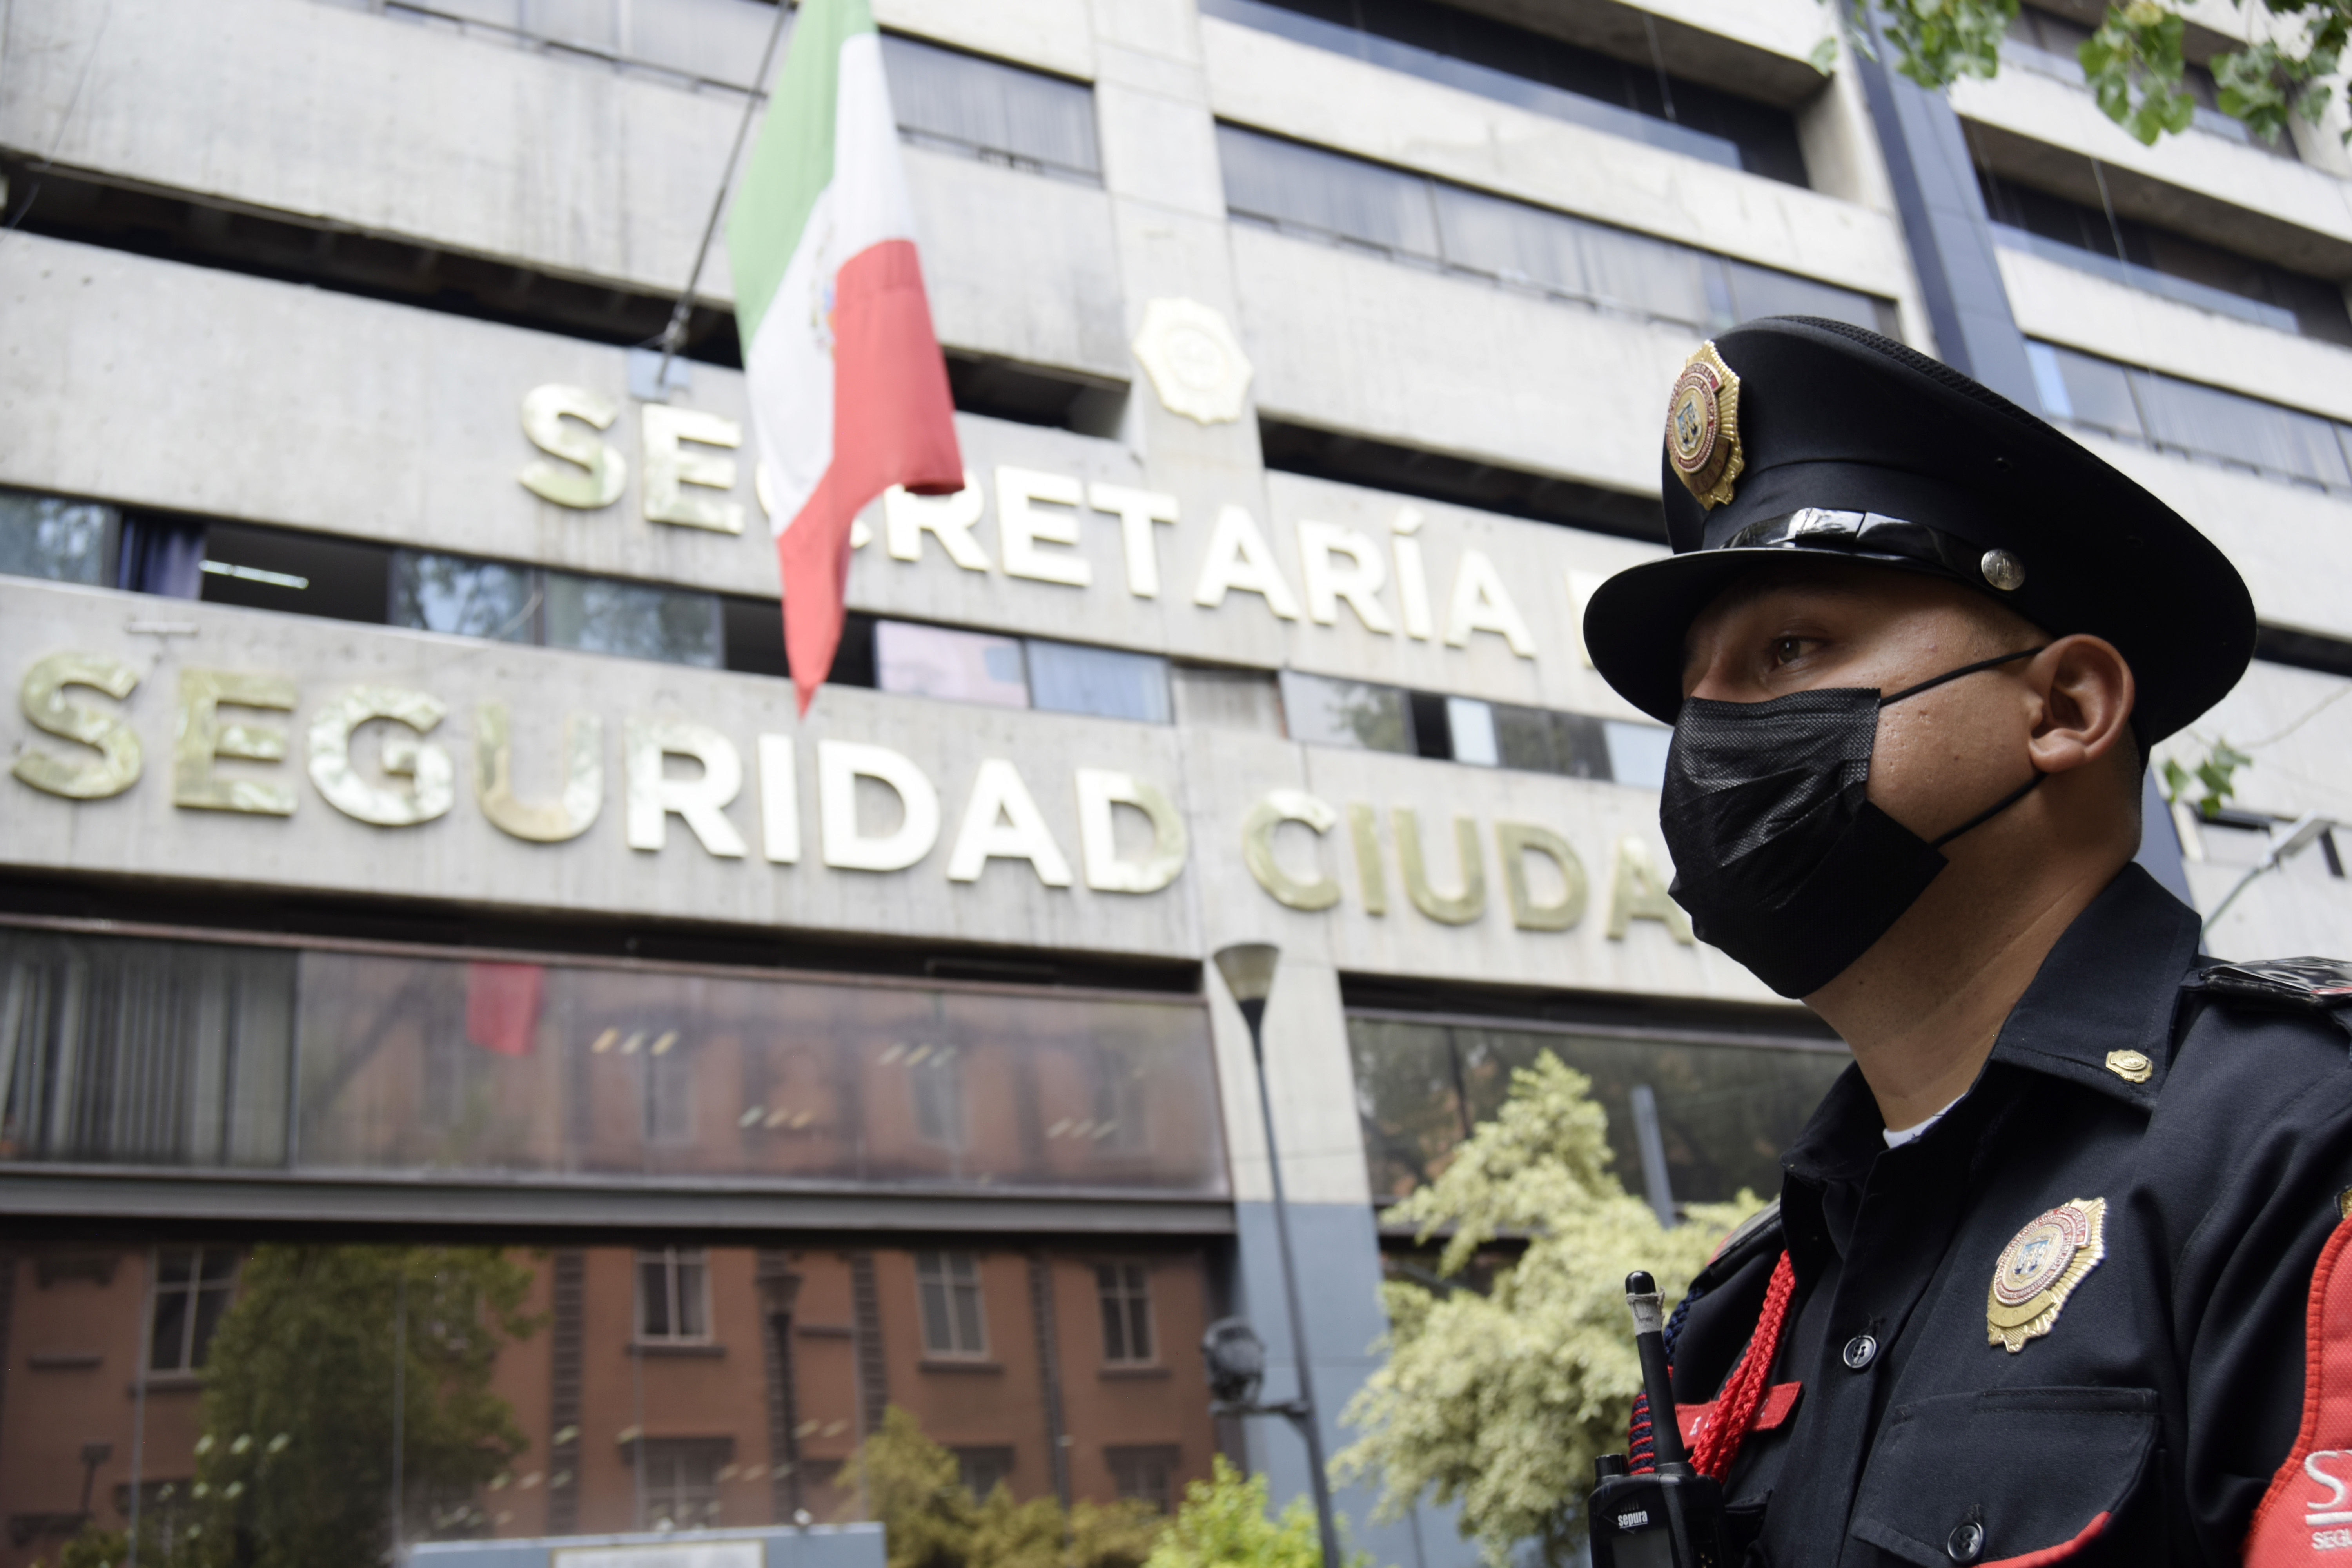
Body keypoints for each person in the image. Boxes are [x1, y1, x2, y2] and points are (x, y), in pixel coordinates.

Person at [1579, 316, 2352, 1566]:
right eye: (1691, 697)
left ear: (2066, 708)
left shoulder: (2297, 1154)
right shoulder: (1742, 1317)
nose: (1708, 739)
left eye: (1790, 650)